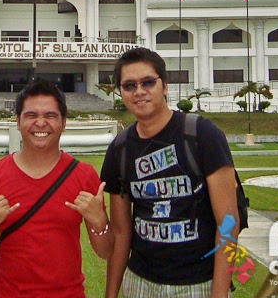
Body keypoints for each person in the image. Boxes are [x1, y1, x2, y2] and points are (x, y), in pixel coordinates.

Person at [101, 48, 239, 298]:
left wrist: (219, 294)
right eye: (129, 85)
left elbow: (228, 223)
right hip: (140, 282)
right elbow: (122, 232)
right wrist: (111, 295)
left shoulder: (202, 135)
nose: (139, 91)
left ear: (164, 85)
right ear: (121, 92)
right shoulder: (120, 149)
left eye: (148, 82)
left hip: (198, 283)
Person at [0, 78, 114, 297]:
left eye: (50, 116)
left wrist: (99, 221)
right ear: (17, 121)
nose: (40, 123)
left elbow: (106, 251)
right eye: (31, 115)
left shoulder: (84, 175)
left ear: (64, 122)